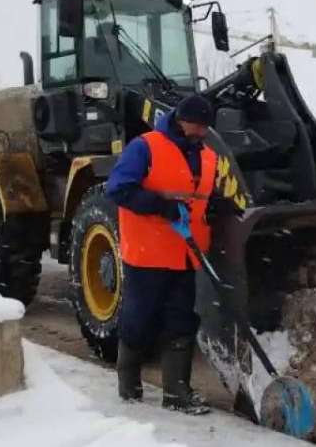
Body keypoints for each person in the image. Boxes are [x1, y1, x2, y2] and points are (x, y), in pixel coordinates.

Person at [105, 93, 239, 415]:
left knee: (181, 320)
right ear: (181, 120)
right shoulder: (145, 147)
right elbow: (118, 189)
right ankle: (129, 384)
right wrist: (159, 205)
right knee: (140, 319)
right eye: (197, 126)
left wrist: (218, 206)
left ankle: (177, 392)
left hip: (186, 253)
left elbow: (200, 196)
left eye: (206, 127)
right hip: (148, 252)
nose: (202, 132)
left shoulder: (208, 155)